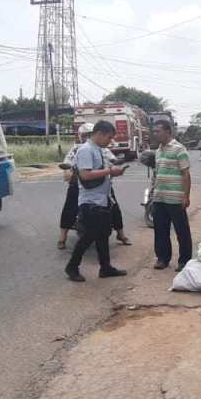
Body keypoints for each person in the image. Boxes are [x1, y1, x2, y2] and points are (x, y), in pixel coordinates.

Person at [65, 121, 127, 282]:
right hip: (91, 202)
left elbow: (100, 172)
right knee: (89, 236)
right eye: (109, 137)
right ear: (99, 133)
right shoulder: (86, 150)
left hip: (102, 200)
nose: (110, 141)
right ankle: (72, 267)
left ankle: (105, 268)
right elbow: (85, 175)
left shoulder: (98, 149)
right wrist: (110, 171)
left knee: (103, 235)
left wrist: (112, 172)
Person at [58, 123, 132, 249]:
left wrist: (116, 165)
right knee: (69, 207)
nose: (86, 137)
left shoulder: (103, 149)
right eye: (84, 135)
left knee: (114, 208)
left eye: (88, 134)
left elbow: (112, 160)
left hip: (102, 184)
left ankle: (121, 234)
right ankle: (62, 237)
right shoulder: (78, 149)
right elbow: (71, 166)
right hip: (80, 184)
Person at [151, 119, 193, 271]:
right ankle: (162, 258)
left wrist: (186, 196)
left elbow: (186, 174)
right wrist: (152, 192)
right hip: (159, 197)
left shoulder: (179, 149)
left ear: (168, 131)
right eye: (154, 131)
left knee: (181, 231)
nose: (155, 134)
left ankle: (184, 260)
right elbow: (157, 173)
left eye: (158, 131)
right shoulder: (158, 150)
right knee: (160, 229)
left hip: (175, 198)